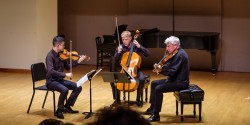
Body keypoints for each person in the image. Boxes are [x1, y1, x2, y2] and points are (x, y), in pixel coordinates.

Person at [144, 36, 190, 122]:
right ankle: (152, 108)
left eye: (168, 46)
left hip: (181, 82)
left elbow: (172, 72)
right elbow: (169, 65)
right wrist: (160, 66)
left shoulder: (181, 55)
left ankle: (156, 115)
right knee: (154, 83)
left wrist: (161, 69)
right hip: (174, 80)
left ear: (176, 46)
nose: (167, 48)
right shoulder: (175, 53)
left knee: (158, 88)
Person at [46, 35, 89, 119]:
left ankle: (67, 106)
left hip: (59, 80)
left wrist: (78, 61)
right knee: (64, 90)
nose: (64, 47)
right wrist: (65, 74)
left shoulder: (61, 55)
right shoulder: (50, 56)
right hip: (51, 81)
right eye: (63, 45)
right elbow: (50, 71)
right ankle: (59, 110)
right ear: (58, 45)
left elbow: (68, 66)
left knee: (78, 87)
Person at [110, 30, 150, 106]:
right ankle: (117, 99)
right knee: (112, 79)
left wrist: (139, 46)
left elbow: (148, 54)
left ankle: (138, 99)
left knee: (141, 79)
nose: (124, 41)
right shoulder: (120, 47)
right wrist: (118, 53)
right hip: (123, 70)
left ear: (130, 38)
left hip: (135, 70)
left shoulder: (135, 46)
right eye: (123, 39)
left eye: (126, 39)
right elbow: (114, 61)